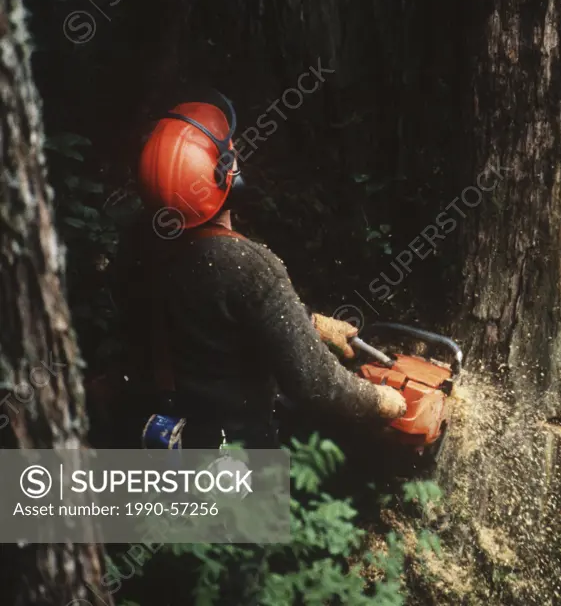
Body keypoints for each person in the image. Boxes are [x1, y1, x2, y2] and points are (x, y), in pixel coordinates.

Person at [110, 94, 406, 449]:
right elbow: (317, 385)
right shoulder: (249, 266)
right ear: (227, 179)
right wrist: (380, 400)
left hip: (156, 436)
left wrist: (308, 322)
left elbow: (212, 316)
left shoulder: (136, 248)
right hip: (233, 457)